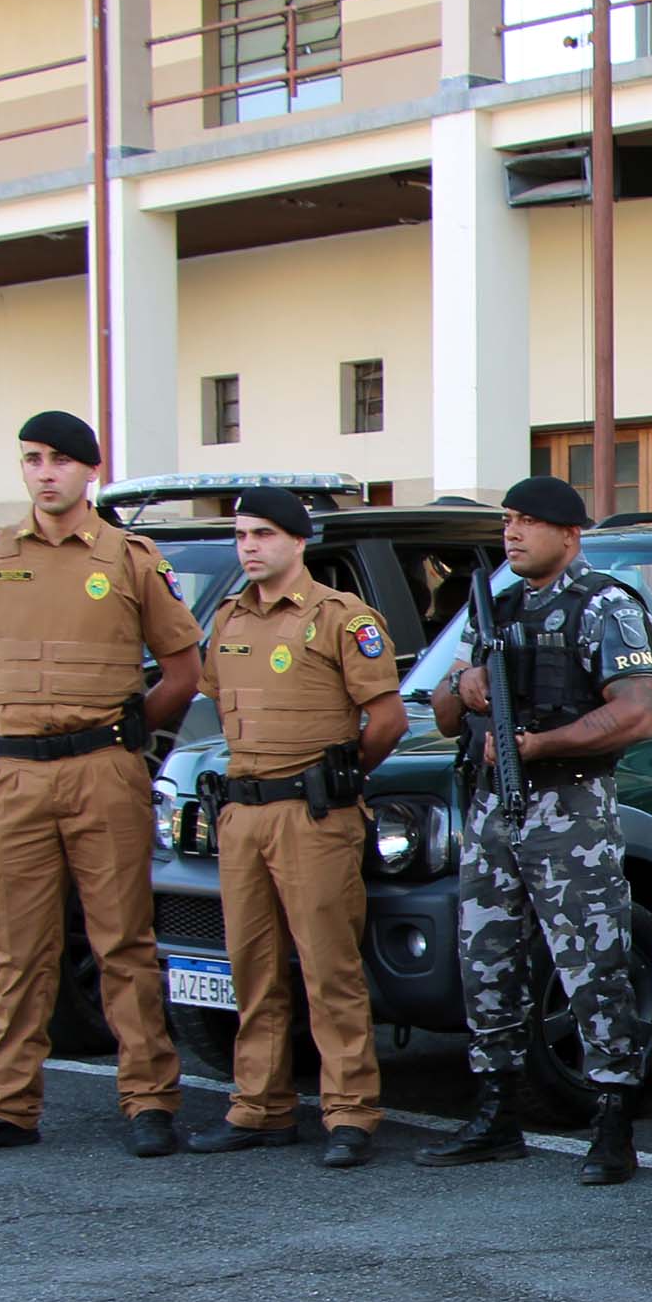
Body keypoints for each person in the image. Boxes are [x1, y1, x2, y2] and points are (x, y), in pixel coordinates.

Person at [0, 412, 200, 1160]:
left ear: (88, 471)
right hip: (15, 772)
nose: (44, 473)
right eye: (31, 460)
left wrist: (122, 734)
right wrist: (13, 717)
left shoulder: (128, 556)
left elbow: (182, 669)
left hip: (101, 769)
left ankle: (149, 1100)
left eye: (58, 461)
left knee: (124, 944)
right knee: (19, 949)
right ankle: (6, 1105)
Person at [415, 475, 652, 1184]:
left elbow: (637, 711)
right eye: (508, 522)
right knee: (486, 961)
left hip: (569, 809)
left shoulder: (605, 605)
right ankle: (497, 1111)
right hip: (495, 809)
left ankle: (613, 1119)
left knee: (594, 964)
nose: (512, 533)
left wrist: (539, 746)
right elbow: (444, 712)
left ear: (569, 533)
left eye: (528, 522)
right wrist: (461, 692)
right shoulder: (495, 607)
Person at [185, 489, 409, 1168]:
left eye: (262, 534)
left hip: (313, 816)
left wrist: (340, 778)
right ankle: (260, 1106)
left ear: (298, 541)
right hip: (243, 813)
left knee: (328, 970)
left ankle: (350, 1113)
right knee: (251, 971)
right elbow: (210, 707)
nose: (248, 546)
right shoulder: (227, 620)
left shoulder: (340, 618)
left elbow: (389, 720)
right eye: (240, 534)